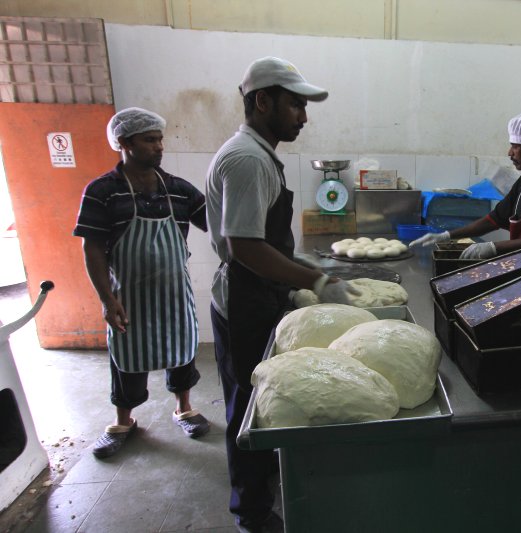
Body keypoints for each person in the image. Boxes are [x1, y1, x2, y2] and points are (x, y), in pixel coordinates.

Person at [205, 56, 360, 532]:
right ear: (262, 100)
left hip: (261, 292)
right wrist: (312, 281)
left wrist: (307, 265)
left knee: (263, 395)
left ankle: (266, 480)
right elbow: (246, 247)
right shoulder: (247, 159)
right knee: (248, 409)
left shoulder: (261, 154)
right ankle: (251, 511)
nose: (304, 116)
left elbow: (264, 240)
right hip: (244, 298)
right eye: (295, 105)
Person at [74, 107, 210, 459]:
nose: (159, 146)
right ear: (123, 143)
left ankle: (184, 408)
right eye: (150, 140)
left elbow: (217, 222)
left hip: (173, 293)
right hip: (128, 296)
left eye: (160, 139)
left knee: (182, 350)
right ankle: (123, 421)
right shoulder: (102, 191)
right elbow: (93, 250)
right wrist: (107, 299)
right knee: (126, 358)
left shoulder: (179, 190)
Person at [411, 112, 521, 260]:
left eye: (515, 146)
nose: (509, 153)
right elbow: (494, 219)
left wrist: (494, 247)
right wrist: (448, 236)